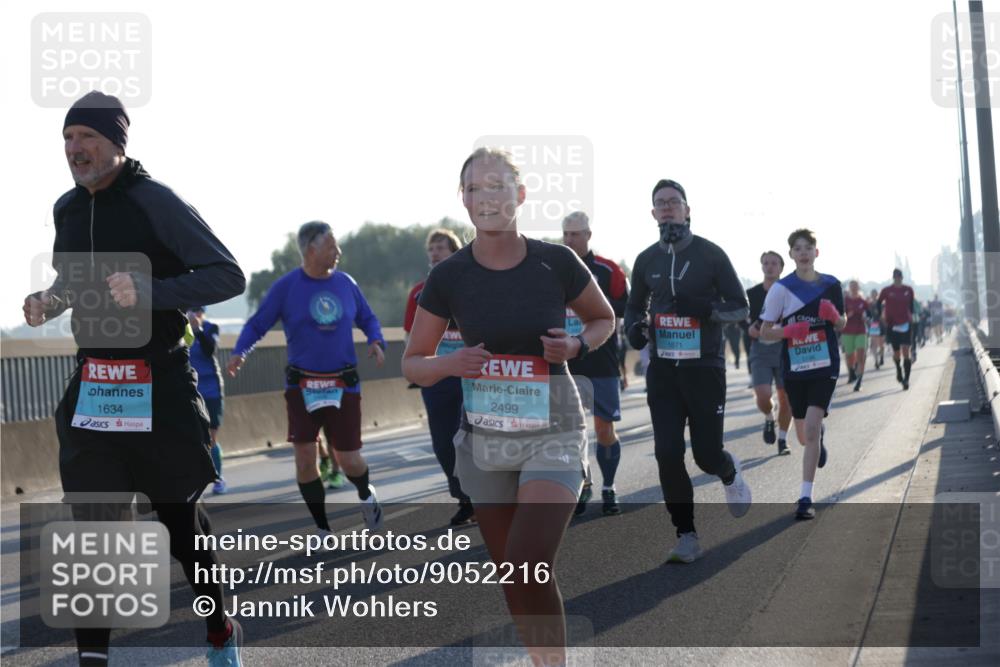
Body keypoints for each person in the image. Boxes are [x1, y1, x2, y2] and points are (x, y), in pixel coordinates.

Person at [24, 91, 246, 665]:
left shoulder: (156, 201)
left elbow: (228, 274)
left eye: (87, 138)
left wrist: (154, 293)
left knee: (179, 519)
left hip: (159, 384)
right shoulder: (67, 209)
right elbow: (75, 282)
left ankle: (219, 624)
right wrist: (51, 301)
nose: (75, 149)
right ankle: (92, 658)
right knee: (92, 527)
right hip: (95, 385)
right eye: (68, 139)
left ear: (117, 143)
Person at [402, 147, 615, 667]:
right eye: (474, 189)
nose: (485, 198)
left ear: (519, 196)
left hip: (554, 427)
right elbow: (413, 362)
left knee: (527, 564)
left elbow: (603, 319)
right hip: (485, 436)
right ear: (464, 200)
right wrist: (452, 365)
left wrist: (576, 346)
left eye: (496, 187)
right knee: (514, 581)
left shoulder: (556, 261)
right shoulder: (449, 276)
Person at [228, 221, 386, 534]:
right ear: (311, 250)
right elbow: (258, 323)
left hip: (344, 383)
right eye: (331, 246)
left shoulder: (346, 283)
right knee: (304, 457)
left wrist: (376, 341)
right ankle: (322, 529)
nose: (338, 252)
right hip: (302, 385)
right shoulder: (287, 287)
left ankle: (367, 496)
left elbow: (367, 318)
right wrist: (240, 351)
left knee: (350, 459)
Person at [624, 179, 752, 563]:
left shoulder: (711, 254)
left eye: (673, 202)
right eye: (660, 203)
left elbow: (741, 307)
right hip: (663, 369)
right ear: (652, 213)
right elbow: (633, 308)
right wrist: (634, 329)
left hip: (704, 367)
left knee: (706, 456)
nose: (667, 208)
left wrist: (706, 310)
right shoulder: (646, 260)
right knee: (667, 452)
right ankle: (686, 534)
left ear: (687, 209)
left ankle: (729, 472)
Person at [759, 229, 845, 520]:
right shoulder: (781, 289)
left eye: (808, 247)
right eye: (798, 248)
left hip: (825, 366)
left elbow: (842, 323)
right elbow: (764, 332)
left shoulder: (832, 285)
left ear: (816, 252)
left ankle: (805, 498)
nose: (804, 252)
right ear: (791, 255)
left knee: (809, 430)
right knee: (803, 435)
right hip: (795, 368)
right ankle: (817, 434)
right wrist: (787, 331)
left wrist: (835, 316)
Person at [403, 227, 475, 526]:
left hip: (472, 373)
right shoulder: (419, 291)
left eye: (440, 248)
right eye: (431, 249)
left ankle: (489, 495)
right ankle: (464, 498)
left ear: (454, 252)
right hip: (437, 373)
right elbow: (410, 333)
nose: (434, 254)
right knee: (443, 443)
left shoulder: (473, 284)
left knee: (477, 439)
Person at [561, 211, 630, 517]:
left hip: (601, 360)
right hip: (564, 363)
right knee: (570, 431)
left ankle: (609, 486)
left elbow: (623, 316)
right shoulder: (551, 269)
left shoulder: (608, 270)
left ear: (588, 235)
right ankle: (582, 483)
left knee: (603, 429)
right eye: (565, 234)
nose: (569, 240)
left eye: (575, 234)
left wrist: (623, 367)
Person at [746, 251, 793, 454]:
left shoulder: (790, 292)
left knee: (786, 397)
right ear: (762, 266)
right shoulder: (752, 294)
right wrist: (748, 329)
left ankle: (782, 440)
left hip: (784, 349)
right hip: (760, 349)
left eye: (774, 263)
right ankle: (768, 416)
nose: (770, 266)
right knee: (763, 395)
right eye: (766, 263)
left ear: (782, 267)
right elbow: (743, 319)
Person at [187, 306, 228, 494]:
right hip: (190, 389)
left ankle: (218, 478)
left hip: (211, 389)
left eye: (198, 311)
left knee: (211, 437)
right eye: (191, 311)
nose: (195, 315)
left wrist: (198, 330)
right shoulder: (180, 330)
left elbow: (210, 350)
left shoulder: (211, 328)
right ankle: (194, 479)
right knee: (192, 438)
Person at [878, 269, 915, 390]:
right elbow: (878, 302)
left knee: (906, 351)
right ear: (893, 278)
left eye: (899, 277)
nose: (897, 279)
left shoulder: (908, 290)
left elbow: (911, 306)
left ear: (902, 278)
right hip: (892, 325)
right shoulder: (887, 290)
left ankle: (907, 380)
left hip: (906, 324)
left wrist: (911, 317)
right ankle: (899, 370)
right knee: (897, 353)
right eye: (895, 277)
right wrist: (881, 316)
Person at [841, 280, 869, 392]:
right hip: (847, 331)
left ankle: (859, 381)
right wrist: (848, 315)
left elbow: (869, 315)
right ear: (849, 287)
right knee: (849, 356)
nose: (854, 288)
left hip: (861, 330)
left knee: (861, 356)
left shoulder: (863, 301)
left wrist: (866, 318)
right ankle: (851, 372)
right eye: (852, 286)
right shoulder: (845, 300)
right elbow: (839, 314)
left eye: (856, 286)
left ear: (858, 287)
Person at [867, 289, 885, 369]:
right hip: (873, 324)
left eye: (875, 293)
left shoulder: (881, 303)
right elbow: (867, 314)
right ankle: (876, 361)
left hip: (881, 324)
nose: (873, 295)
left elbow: (884, 313)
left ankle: (881, 357)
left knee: (881, 344)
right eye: (872, 294)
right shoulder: (868, 304)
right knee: (874, 344)